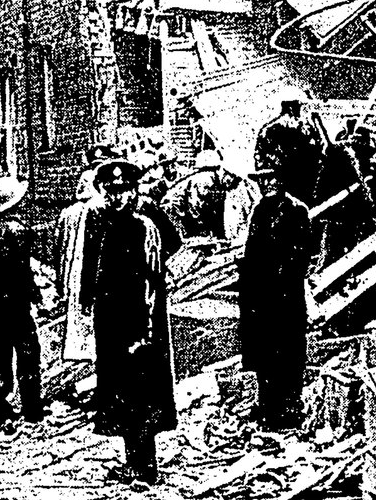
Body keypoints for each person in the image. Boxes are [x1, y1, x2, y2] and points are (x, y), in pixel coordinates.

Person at [80, 160, 182, 485]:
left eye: (122, 190)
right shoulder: (102, 218)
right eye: (110, 192)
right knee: (119, 388)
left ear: (134, 189)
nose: (116, 198)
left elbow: (171, 249)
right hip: (111, 318)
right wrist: (88, 296)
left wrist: (145, 326)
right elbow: (92, 258)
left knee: (142, 389)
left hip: (141, 318)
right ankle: (133, 462)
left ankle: (145, 465)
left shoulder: (146, 219)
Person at [239, 168, 317, 430]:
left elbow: (302, 254)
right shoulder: (260, 210)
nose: (268, 184)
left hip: (286, 295)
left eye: (273, 179)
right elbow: (253, 249)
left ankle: (289, 409)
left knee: (289, 351)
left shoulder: (297, 210)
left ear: (283, 181)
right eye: (263, 180)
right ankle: (267, 407)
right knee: (264, 351)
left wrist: (279, 273)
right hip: (262, 295)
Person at [0, 175, 44, 430]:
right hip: (18, 302)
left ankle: (0, 412)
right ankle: (32, 409)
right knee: (28, 353)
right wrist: (36, 294)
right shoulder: (21, 232)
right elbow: (23, 270)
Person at [317, 126, 376, 262]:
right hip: (343, 217)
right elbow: (323, 192)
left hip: (359, 216)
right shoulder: (338, 165)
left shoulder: (368, 172)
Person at [58, 169, 100, 362]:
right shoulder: (96, 208)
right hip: (89, 260)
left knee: (76, 302)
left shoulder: (69, 211)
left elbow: (60, 242)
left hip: (73, 262)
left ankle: (77, 347)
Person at [254, 96, 326, 205]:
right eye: (299, 106)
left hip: (282, 188)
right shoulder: (305, 127)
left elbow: (260, 162)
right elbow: (319, 153)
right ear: (292, 107)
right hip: (304, 184)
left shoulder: (268, 130)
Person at [161, 149, 245, 239]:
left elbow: (217, 213)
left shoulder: (218, 185)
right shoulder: (205, 179)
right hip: (173, 211)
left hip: (183, 212)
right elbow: (196, 206)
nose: (232, 184)